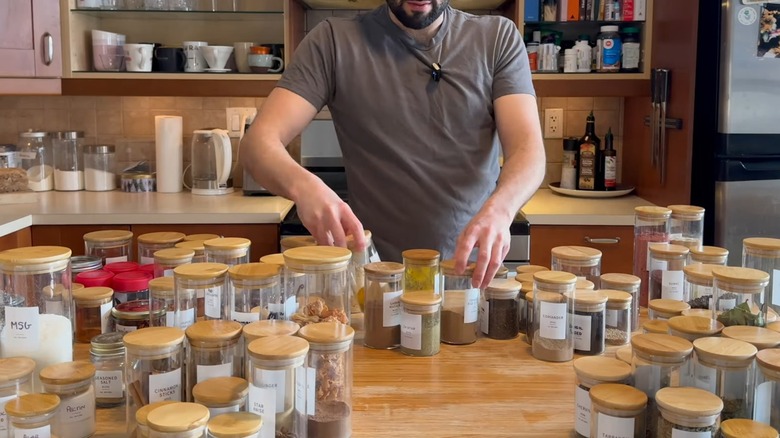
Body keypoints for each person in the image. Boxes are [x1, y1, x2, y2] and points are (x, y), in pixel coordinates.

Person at [240, 0, 545, 288]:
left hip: (470, 276)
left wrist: (501, 209)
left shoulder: (497, 38)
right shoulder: (333, 41)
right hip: (374, 280)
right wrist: (304, 188)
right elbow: (258, 145)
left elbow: (527, 151)